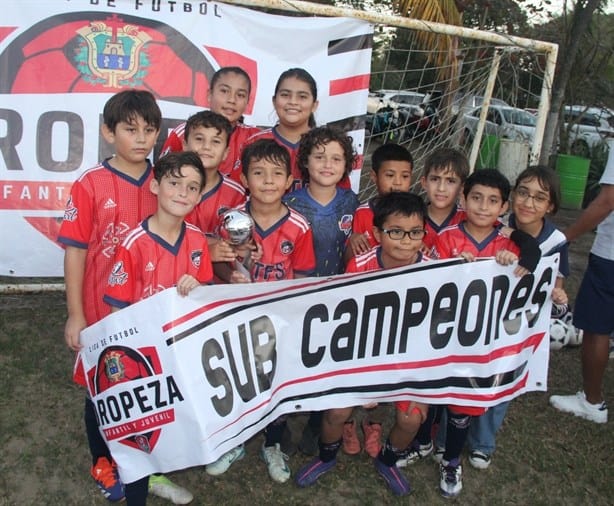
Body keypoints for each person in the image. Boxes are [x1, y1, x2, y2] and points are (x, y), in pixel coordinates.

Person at [58, 89, 167, 503]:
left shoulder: (164, 181)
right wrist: (75, 314)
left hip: (151, 310)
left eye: (150, 129)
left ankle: (143, 461)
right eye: (130, 129)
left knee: (147, 387)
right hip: (103, 311)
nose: (141, 138)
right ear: (108, 132)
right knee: (101, 389)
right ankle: (103, 461)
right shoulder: (90, 183)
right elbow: (75, 251)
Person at [295, 192, 430, 497]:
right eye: (396, 232)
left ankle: (388, 459)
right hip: (361, 356)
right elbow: (346, 323)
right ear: (378, 234)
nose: (406, 241)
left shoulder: (435, 269)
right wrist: (366, 378)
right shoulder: (360, 266)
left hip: (410, 359)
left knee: (412, 418)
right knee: (336, 412)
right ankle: (326, 456)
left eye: (415, 232)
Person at [103, 151, 214, 505]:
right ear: (155, 185)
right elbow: (115, 311)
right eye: (174, 182)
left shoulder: (197, 240)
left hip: (178, 353)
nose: (182, 192)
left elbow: (206, 294)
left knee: (167, 426)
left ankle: (156, 473)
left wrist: (196, 289)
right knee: (138, 433)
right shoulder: (134, 244)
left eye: (192, 187)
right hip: (141, 357)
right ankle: (137, 484)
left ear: (199, 197)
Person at [208, 139, 316, 483]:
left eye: (276, 174)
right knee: (236, 376)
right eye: (258, 173)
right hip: (237, 315)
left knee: (275, 380)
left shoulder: (299, 226)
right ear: (244, 178)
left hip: (278, 319)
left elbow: (304, 278)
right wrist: (233, 273)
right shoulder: (229, 220)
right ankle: (234, 439)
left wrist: (293, 317)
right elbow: (217, 267)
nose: (268, 181)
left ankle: (273, 443)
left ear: (289, 181)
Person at [430, 168, 540, 498]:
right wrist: (450, 266)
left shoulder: (509, 244)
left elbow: (525, 284)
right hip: (445, 336)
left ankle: (451, 461)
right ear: (463, 199)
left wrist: (510, 263)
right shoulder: (447, 237)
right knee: (439, 394)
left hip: (485, 342)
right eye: (476, 198)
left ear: (504, 207)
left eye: (492, 201)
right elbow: (426, 280)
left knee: (466, 401)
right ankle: (432, 441)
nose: (482, 206)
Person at [467, 165, 570, 470]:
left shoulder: (556, 242)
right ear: (511, 197)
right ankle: (450, 433)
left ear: (550, 206)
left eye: (540, 197)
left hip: (518, 325)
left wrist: (559, 299)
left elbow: (556, 289)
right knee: (470, 373)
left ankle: (483, 443)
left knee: (503, 378)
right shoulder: (494, 220)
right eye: (523, 192)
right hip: (482, 318)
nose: (529, 202)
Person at [283, 126, 360, 455]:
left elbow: (357, 253)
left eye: (336, 158)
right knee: (292, 358)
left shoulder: (353, 202)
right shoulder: (290, 202)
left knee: (327, 361)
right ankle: (281, 423)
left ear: (347, 165)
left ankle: (318, 421)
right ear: (305, 162)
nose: (327, 164)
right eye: (319, 157)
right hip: (297, 296)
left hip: (338, 299)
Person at [549, 143, 614, 424]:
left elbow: (608, 200)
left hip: (610, 257)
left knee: (596, 327)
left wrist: (566, 236)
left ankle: (592, 401)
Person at [161, 66, 260, 184]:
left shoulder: (255, 138)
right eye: (224, 91)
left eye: (240, 95)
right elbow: (162, 176)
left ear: (248, 102)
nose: (232, 100)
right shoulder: (183, 133)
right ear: (209, 94)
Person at [233, 68, 320, 192]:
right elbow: (237, 193)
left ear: (314, 105)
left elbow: (341, 196)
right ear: (274, 101)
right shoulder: (254, 143)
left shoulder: (327, 145)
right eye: (285, 95)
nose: (293, 102)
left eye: (302, 97)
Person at [181, 110, 247, 264]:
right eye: (199, 139)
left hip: (219, 282)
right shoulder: (170, 187)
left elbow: (236, 245)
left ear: (225, 153)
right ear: (184, 145)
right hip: (174, 275)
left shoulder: (236, 194)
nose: (206, 147)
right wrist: (207, 247)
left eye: (215, 142)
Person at [346, 143, 413, 259]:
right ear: (374, 176)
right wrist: (354, 240)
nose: (398, 182)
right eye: (390, 175)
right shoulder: (362, 214)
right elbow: (353, 259)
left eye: (405, 176)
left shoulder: (416, 213)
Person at [420, 147, 470, 252]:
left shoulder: (469, 220)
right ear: (424, 182)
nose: (441, 188)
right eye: (435, 179)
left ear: (462, 187)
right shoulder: (410, 217)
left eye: (450, 181)